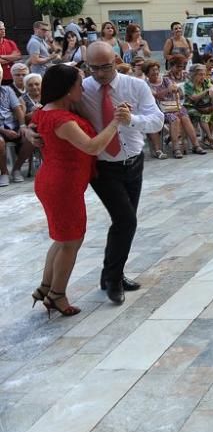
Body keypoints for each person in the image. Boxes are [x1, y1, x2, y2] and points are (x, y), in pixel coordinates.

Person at [29, 65, 131, 316]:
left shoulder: (48, 111)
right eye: (79, 83)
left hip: (55, 181)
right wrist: (116, 122)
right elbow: (93, 147)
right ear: (67, 88)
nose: (83, 87)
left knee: (62, 239)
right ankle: (57, 295)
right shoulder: (61, 119)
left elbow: (34, 123)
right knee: (71, 242)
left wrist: (27, 130)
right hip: (62, 185)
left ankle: (46, 287)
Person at [75, 42, 164, 304]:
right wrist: (33, 131)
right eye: (94, 68)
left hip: (133, 162)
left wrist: (132, 120)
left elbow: (157, 120)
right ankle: (113, 281)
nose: (100, 73)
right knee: (126, 221)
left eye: (105, 67)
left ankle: (111, 273)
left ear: (115, 60)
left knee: (123, 221)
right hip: (102, 166)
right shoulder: (83, 89)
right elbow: (54, 107)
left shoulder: (135, 85)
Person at [145, 60, 204, 158]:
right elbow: (156, 96)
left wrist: (176, 89)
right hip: (159, 110)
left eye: (156, 69)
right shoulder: (146, 84)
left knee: (184, 116)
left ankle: (196, 145)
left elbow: (176, 91)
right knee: (174, 118)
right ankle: (176, 148)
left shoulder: (165, 80)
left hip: (173, 106)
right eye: (152, 70)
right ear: (147, 73)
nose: (155, 72)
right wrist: (168, 90)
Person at [183, 64, 213, 148]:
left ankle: (208, 137)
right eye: (200, 74)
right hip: (191, 106)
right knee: (202, 116)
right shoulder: (188, 84)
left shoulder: (205, 81)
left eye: (204, 74)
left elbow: (212, 86)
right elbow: (193, 97)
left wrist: (212, 89)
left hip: (203, 106)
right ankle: (210, 138)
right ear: (193, 75)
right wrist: (206, 91)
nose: (203, 76)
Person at [0, 20, 21, 86]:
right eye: (0, 29)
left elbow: (18, 56)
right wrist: (12, 57)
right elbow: (1, 62)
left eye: (4, 29)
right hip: (1, 78)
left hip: (11, 76)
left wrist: (2, 56)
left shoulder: (10, 42)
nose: (3, 31)